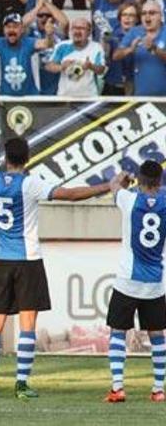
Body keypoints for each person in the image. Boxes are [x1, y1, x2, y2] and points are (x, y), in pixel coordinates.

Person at [0, 137, 113, 399]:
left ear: (4, 158)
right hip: (28, 260)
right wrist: (107, 186)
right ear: (28, 159)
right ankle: (21, 383)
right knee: (28, 324)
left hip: (0, 260)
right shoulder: (31, 184)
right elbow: (68, 196)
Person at [104, 161, 166, 404]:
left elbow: (113, 185)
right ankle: (158, 389)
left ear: (139, 181)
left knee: (118, 331)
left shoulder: (129, 200)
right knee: (158, 335)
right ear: (160, 182)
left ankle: (118, 387)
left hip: (127, 280)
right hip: (155, 282)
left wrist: (123, 177)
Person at [0, 13, 55, 96]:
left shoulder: (29, 43)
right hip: (5, 97)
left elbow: (47, 44)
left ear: (22, 29)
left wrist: (49, 34)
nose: (11, 30)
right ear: (4, 29)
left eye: (15, 27)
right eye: (8, 27)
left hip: (29, 97)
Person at [112, 0, 166, 96]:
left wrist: (155, 49)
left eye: (152, 13)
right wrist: (129, 49)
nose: (147, 17)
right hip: (141, 95)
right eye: (143, 13)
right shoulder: (134, 31)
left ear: (160, 15)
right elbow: (115, 56)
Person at [44, 18, 106, 96]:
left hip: (89, 96)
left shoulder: (96, 47)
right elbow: (49, 66)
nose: (77, 31)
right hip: (64, 96)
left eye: (82, 28)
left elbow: (101, 70)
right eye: (74, 28)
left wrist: (91, 66)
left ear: (89, 32)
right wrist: (61, 67)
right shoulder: (62, 46)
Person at [102, 2, 139, 96]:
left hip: (134, 85)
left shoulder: (143, 35)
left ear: (137, 19)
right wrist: (104, 43)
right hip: (113, 84)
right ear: (119, 17)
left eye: (131, 15)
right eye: (124, 14)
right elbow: (105, 58)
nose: (127, 18)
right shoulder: (111, 35)